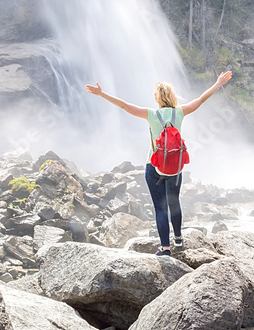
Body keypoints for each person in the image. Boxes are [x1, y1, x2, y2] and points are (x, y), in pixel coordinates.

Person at [85, 71, 233, 256]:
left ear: (157, 99)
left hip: (153, 166)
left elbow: (124, 106)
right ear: (172, 97)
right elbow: (201, 99)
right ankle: (178, 239)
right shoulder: (180, 112)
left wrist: (102, 94)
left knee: (160, 208)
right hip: (175, 167)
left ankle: (165, 248)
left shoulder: (152, 114)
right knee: (174, 203)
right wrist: (218, 83)